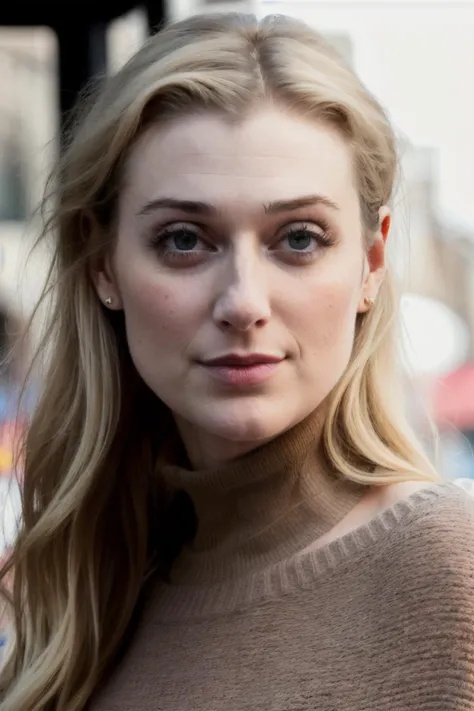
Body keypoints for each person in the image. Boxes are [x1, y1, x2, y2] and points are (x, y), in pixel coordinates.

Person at [0, 12, 473, 711]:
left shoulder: (444, 575)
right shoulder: (94, 592)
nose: (243, 301)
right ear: (104, 264)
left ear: (372, 262)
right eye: (186, 239)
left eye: (300, 238)